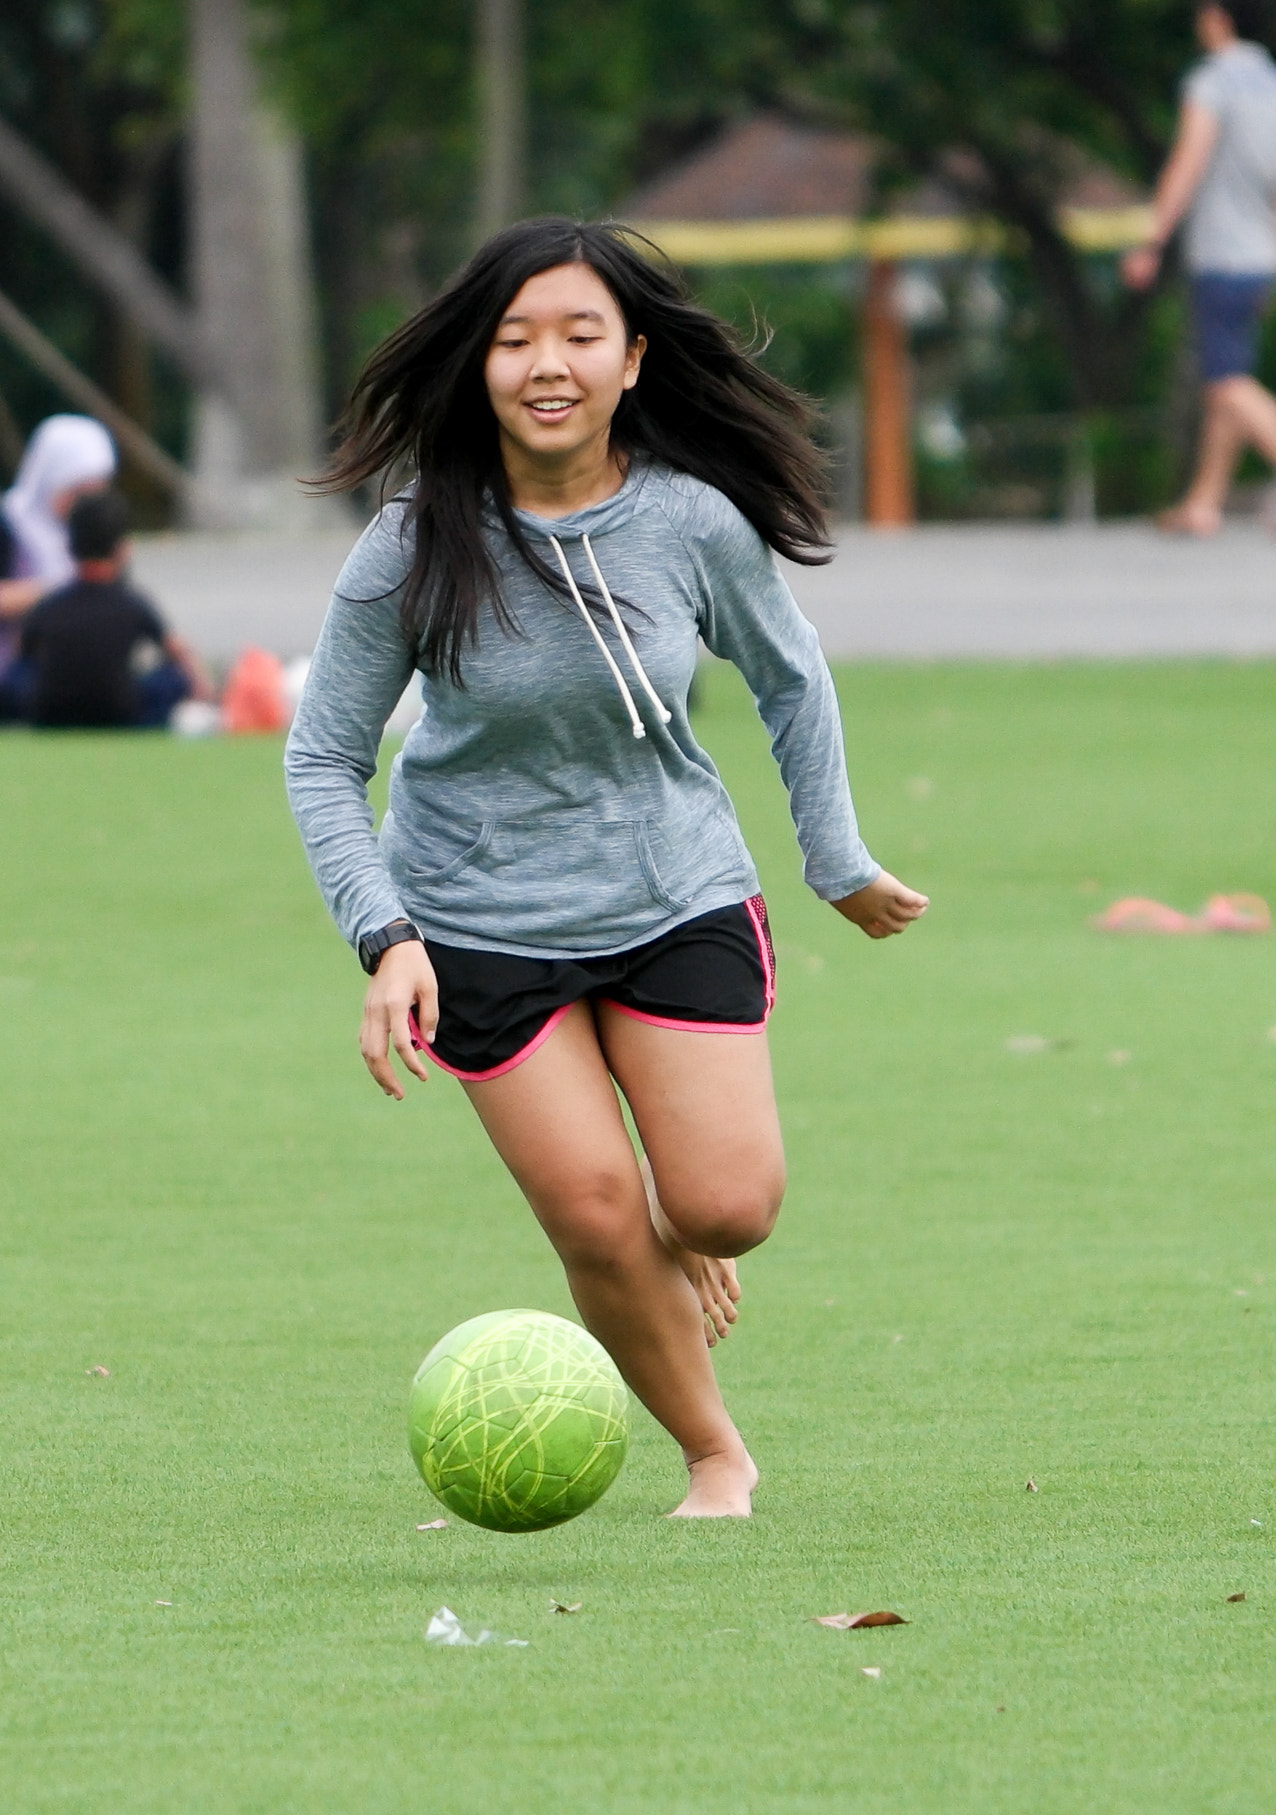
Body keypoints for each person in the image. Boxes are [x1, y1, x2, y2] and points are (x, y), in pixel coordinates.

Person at [284, 219, 929, 1520]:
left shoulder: (690, 521)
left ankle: (677, 1232)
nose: (546, 363)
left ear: (633, 359)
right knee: (592, 1213)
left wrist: (837, 860)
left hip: (670, 891)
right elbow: (321, 756)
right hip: (475, 917)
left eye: (579, 334)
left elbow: (793, 678)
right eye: (516, 339)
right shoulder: (415, 539)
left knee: (728, 1204)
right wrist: (384, 934)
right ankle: (714, 1452)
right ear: (479, 365)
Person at [1121, 1, 1276, 534]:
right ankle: (1204, 502)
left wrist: (1152, 239)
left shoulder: (1211, 83)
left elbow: (1189, 160)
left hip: (1221, 251)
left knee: (1225, 382)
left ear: (1220, 19)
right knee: (1229, 375)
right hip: (1263, 252)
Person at [21, 490, 216, 729]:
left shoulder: (49, 605)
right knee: (171, 678)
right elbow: (179, 650)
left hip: (51, 713)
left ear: (70, 545)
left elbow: (23, 653)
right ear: (121, 548)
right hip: (120, 713)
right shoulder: (132, 603)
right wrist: (205, 690)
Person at [0, 414, 118, 721]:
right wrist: (65, 590)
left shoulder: (102, 525)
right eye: (78, 492)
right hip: (15, 662)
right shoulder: (10, 522)